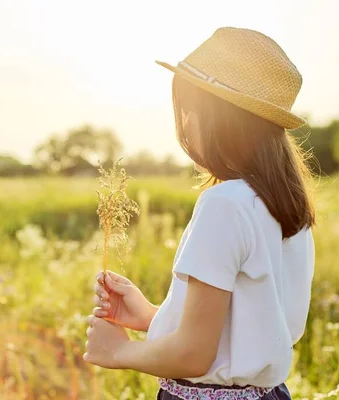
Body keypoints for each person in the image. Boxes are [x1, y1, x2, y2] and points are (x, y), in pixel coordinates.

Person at [83, 27, 316, 400]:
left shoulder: (223, 204)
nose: (185, 123)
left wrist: (120, 351)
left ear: (219, 118)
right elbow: (244, 329)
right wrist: (150, 316)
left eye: (190, 110)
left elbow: (194, 355)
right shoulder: (286, 204)